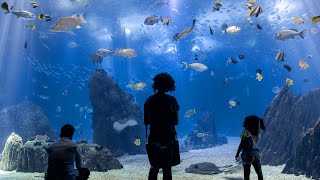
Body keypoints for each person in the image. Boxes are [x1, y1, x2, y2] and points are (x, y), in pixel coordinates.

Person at [144, 72, 180, 180]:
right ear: (169, 85)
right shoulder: (172, 101)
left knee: (154, 167)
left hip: (154, 137)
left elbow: (146, 122)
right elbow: (175, 121)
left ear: (155, 85)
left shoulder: (149, 100)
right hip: (168, 138)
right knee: (167, 168)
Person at [235, 115, 266, 180]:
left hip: (247, 153)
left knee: (247, 175)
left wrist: (237, 153)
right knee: (259, 174)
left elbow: (242, 144)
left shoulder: (246, 132)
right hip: (256, 153)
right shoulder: (258, 132)